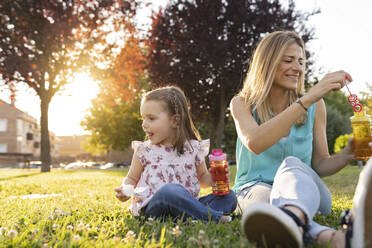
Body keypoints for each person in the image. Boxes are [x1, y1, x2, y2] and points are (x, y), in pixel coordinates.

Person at [230, 30, 371, 247]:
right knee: (266, 206)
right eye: (288, 60)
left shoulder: (315, 107)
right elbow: (255, 143)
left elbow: (320, 164)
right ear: (267, 63)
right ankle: (331, 237)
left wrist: (346, 155)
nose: (298, 67)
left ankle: (292, 216)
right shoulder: (242, 103)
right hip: (255, 190)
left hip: (306, 190)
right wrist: (309, 98)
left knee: (292, 165)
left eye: (300, 61)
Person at [115, 86, 237, 223]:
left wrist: (214, 177)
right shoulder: (144, 151)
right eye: (143, 118)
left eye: (151, 118)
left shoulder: (193, 148)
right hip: (154, 208)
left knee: (230, 197)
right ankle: (214, 218)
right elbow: (131, 177)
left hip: (187, 204)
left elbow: (202, 179)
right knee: (171, 191)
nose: (144, 124)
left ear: (175, 121)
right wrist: (126, 189)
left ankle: (191, 216)